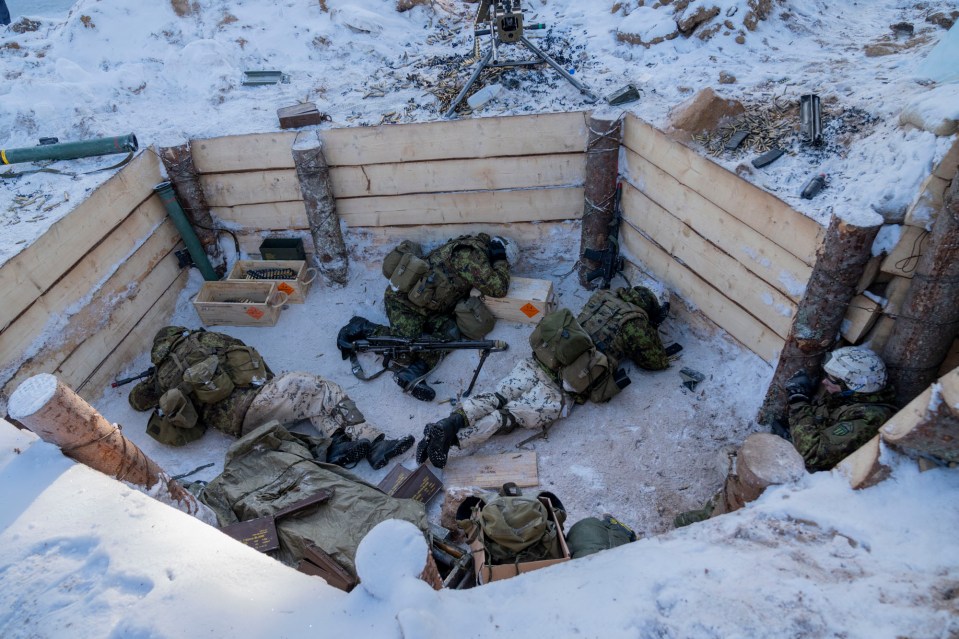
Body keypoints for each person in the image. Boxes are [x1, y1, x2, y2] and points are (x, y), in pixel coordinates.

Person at [416, 285, 675, 468]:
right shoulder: (636, 324)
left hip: (539, 360)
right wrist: (652, 325)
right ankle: (453, 441)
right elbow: (656, 362)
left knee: (498, 395)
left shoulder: (604, 296)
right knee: (511, 415)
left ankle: (448, 423)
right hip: (562, 387)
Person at [128, 326, 413, 470]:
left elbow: (136, 401)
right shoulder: (207, 340)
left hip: (236, 429)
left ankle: (337, 443)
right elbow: (245, 354)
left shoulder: (162, 377)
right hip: (256, 404)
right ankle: (375, 441)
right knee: (315, 386)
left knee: (306, 400)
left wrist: (155, 375)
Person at [337, 233, 515, 402]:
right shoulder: (470, 256)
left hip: (431, 308)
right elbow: (498, 288)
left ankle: (413, 373)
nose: (502, 268)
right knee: (405, 350)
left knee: (450, 334)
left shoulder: (474, 253)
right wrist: (500, 261)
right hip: (405, 304)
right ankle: (361, 326)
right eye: (505, 262)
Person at [783, 346, 896, 472]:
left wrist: (798, 401)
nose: (824, 382)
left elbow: (812, 454)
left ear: (852, 388)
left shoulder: (869, 417)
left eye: (832, 380)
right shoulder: (844, 397)